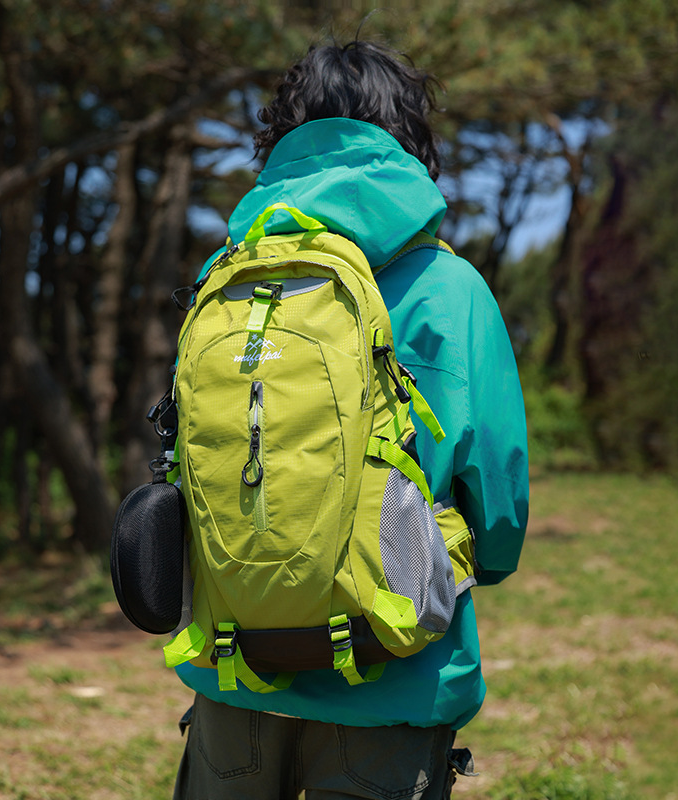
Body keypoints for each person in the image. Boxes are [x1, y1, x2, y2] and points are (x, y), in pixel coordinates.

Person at [171, 39, 529, 800]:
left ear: (282, 139)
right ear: (407, 139)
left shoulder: (228, 276)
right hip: (393, 670)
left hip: (236, 669)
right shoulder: (449, 289)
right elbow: (496, 517)